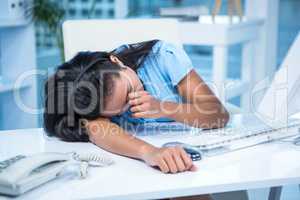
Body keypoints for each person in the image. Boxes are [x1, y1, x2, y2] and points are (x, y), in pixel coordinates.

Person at [44, 40, 229, 174]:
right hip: (142, 169)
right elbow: (96, 129)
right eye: (119, 110)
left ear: (116, 61)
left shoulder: (163, 58)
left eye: (129, 91)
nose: (130, 105)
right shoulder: (93, 99)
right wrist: (149, 153)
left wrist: (164, 107)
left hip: (197, 153)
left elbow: (219, 114)